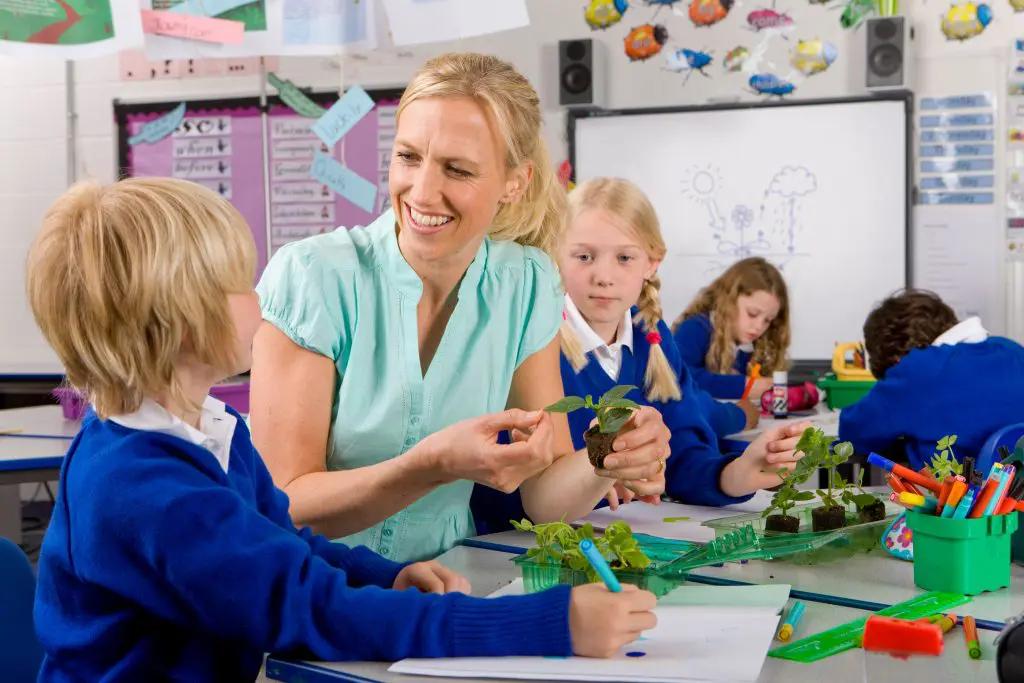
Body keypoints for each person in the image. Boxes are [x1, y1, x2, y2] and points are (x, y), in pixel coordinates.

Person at [26, 178, 659, 682]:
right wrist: (548, 625)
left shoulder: (212, 431)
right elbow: (305, 608)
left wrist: (383, 576)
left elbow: (287, 545)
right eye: (239, 286)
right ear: (181, 321)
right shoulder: (147, 488)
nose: (260, 299)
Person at [250, 52, 671, 563]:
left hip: (447, 586)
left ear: (514, 181)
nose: (422, 191)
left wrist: (608, 456)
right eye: (408, 157)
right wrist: (434, 464)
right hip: (313, 594)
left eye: (458, 169)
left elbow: (543, 499)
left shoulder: (527, 282)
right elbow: (283, 506)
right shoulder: (316, 276)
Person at [555, 178, 808, 505]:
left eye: (624, 258)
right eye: (584, 257)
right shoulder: (538, 339)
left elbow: (683, 456)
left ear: (652, 263)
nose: (604, 276)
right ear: (557, 254)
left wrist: (738, 473)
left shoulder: (651, 335)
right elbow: (521, 482)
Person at [838, 289, 1024, 471]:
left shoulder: (919, 368)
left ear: (896, 359)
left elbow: (853, 434)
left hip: (960, 499)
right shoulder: (1012, 349)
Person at [671, 257, 790, 400]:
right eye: (752, 314)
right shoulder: (695, 329)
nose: (759, 327)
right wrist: (741, 386)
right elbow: (676, 377)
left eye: (768, 320)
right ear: (729, 301)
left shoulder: (755, 345)